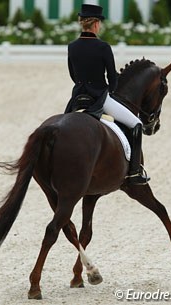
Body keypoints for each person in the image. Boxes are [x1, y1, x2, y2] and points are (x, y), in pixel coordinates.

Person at [65, 4, 149, 185]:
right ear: (95, 25)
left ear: (82, 24)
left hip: (78, 98)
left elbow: (73, 74)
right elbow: (112, 77)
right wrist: (110, 90)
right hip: (99, 98)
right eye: (99, 24)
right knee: (136, 124)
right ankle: (134, 172)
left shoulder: (72, 47)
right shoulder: (103, 47)